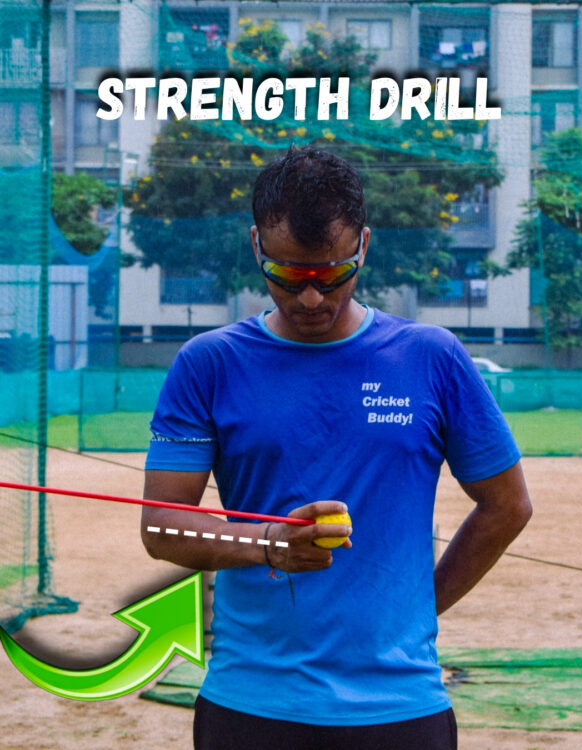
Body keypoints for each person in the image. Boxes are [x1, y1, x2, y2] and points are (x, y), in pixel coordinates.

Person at [141, 146, 532, 750]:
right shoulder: (209, 364)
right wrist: (267, 543)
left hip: (399, 707)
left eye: (331, 275)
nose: (310, 298)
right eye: (287, 275)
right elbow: (163, 526)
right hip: (252, 704)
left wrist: (420, 608)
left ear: (364, 246)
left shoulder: (432, 358)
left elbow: (507, 505)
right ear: (256, 245)